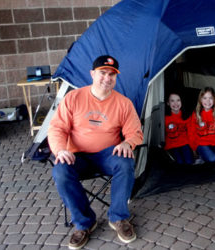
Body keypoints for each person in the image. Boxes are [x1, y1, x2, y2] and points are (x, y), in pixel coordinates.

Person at [48, 55, 143, 249]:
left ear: (116, 77)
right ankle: (84, 223)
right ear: (92, 74)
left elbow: (136, 133)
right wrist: (60, 150)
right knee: (60, 171)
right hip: (77, 156)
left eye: (112, 74)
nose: (107, 78)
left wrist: (128, 143)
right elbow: (56, 128)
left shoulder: (124, 103)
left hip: (108, 155)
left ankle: (118, 218)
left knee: (125, 162)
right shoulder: (73, 98)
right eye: (102, 73)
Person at [164, 93, 194, 164]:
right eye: (172, 101)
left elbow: (191, 133)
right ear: (168, 103)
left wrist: (193, 148)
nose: (176, 103)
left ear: (181, 102)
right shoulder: (165, 118)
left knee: (189, 162)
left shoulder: (186, 116)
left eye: (178, 100)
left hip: (185, 143)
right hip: (171, 145)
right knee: (179, 163)